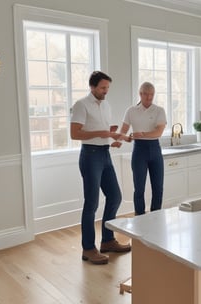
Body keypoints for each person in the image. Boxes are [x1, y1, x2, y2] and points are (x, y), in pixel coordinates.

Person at [71, 71, 131, 265]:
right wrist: (105, 133)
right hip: (90, 156)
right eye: (103, 88)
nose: (106, 91)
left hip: (105, 153)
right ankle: (88, 248)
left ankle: (107, 240)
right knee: (92, 203)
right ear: (93, 87)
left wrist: (114, 135)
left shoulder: (106, 105)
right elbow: (75, 134)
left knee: (115, 196)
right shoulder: (81, 105)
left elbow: (100, 131)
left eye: (108, 88)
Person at [119, 82, 167, 215]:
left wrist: (143, 134)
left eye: (152, 94)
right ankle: (140, 217)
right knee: (139, 188)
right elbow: (123, 130)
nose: (149, 97)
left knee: (158, 187)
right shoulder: (131, 111)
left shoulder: (159, 110)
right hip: (139, 151)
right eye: (146, 94)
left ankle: (156, 216)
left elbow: (158, 132)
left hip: (155, 150)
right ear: (140, 94)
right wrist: (123, 138)